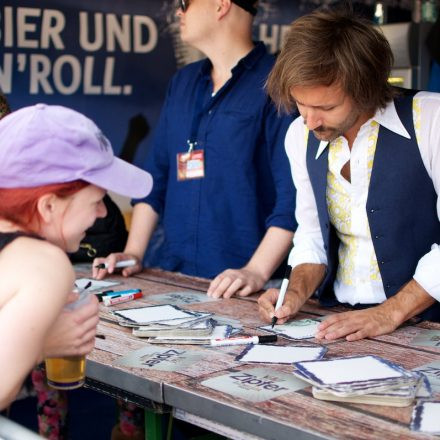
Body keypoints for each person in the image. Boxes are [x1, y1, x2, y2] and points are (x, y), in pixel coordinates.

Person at [93, 0, 297, 300]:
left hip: (246, 289)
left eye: (185, 4)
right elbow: (155, 175)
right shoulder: (183, 81)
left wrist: (256, 271)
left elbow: (293, 198)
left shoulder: (277, 82)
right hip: (174, 275)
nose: (178, 12)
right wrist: (133, 253)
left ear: (221, 5)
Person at [259, 9, 440, 341]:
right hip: (338, 321)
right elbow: (312, 236)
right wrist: (296, 293)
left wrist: (390, 312)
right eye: (301, 103)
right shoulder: (298, 136)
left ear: (366, 89)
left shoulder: (431, 120)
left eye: (327, 108)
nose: (310, 121)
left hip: (429, 328)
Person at [0, 103, 152, 413]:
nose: (103, 213)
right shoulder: (45, 264)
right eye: (96, 201)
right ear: (49, 206)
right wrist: (38, 346)